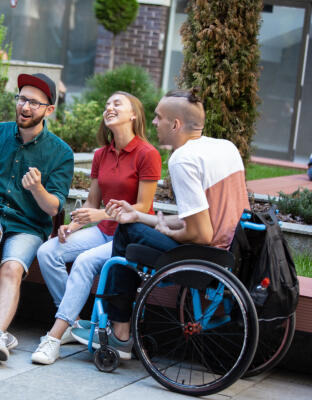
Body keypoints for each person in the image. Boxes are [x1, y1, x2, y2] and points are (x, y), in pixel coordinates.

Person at [98, 88, 250, 357]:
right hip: (232, 250)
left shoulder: (182, 159)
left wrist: (167, 230)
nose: (154, 123)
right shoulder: (224, 147)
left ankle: (120, 333)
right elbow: (200, 215)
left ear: (175, 124)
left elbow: (201, 233)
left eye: (158, 117)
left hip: (205, 256)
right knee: (132, 223)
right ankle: (122, 326)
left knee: (125, 232)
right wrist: (141, 216)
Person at [30, 92, 161, 365]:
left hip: (129, 236)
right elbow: (92, 202)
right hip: (102, 231)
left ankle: (53, 337)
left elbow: (142, 207)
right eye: (107, 104)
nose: (109, 108)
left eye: (117, 104)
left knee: (84, 262)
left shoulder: (147, 154)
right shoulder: (101, 154)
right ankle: (73, 322)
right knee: (48, 252)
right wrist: (73, 226)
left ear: (134, 115)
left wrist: (99, 213)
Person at [0, 73, 74, 362]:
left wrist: (36, 188)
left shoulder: (61, 153)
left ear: (49, 110)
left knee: (12, 269)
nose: (25, 106)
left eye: (34, 103)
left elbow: (53, 208)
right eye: (22, 98)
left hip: (29, 225)